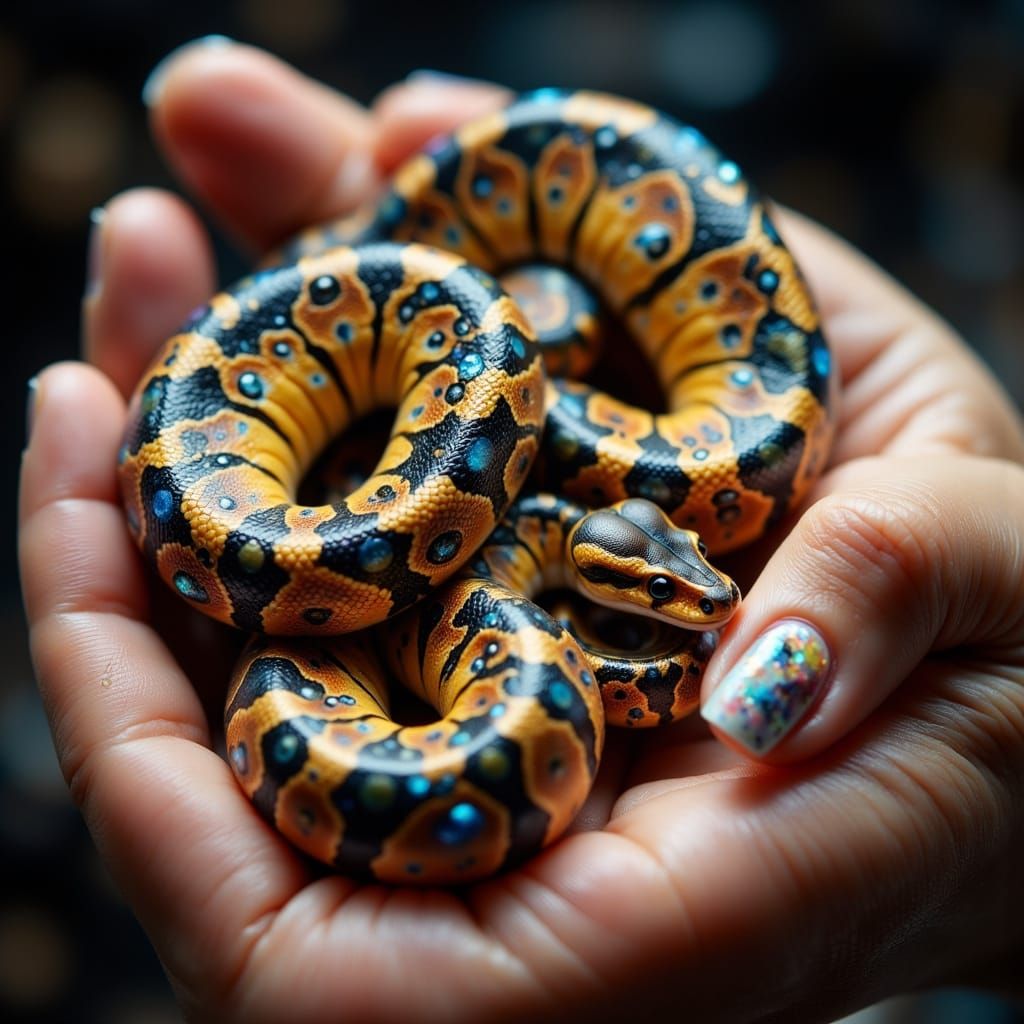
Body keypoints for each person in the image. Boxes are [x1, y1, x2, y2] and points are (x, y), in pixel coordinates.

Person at [18, 39, 1024, 1023]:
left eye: (673, 578)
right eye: (661, 583)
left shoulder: (557, 485)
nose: (705, 590)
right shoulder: (502, 434)